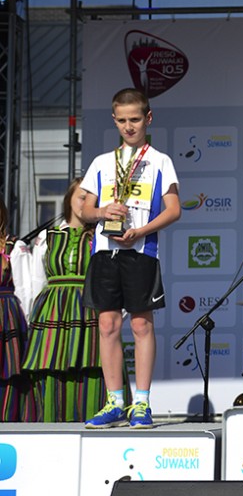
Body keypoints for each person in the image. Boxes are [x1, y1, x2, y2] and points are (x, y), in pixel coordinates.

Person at [80, 88, 180, 428]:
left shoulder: (160, 161)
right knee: (107, 324)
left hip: (140, 250)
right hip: (104, 251)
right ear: (114, 120)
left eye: (135, 119)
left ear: (148, 118)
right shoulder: (102, 162)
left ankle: (141, 403)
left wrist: (141, 231)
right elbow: (85, 209)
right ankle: (114, 402)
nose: (129, 126)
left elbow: (174, 210)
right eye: (122, 120)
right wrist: (102, 211)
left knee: (140, 324)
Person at [19, 179, 116, 422]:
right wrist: (33, 317)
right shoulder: (48, 237)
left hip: (90, 310)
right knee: (51, 368)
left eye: (92, 199)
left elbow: (114, 280)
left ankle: (95, 424)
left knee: (93, 369)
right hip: (54, 311)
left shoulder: (103, 236)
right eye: (82, 197)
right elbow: (36, 281)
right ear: (69, 200)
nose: (87, 203)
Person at [0, 196, 30, 421]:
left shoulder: (14, 246)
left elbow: (24, 290)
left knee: (8, 372)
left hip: (6, 315)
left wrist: (25, 324)